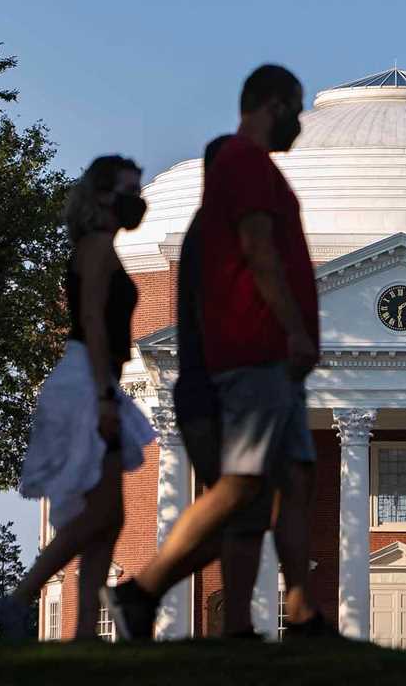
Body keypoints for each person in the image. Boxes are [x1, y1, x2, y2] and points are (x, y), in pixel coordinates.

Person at [107, 64, 332, 640]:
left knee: (292, 482)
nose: (303, 125)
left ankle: (297, 616)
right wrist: (295, 332)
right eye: (297, 109)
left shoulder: (251, 170)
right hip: (258, 354)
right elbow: (260, 253)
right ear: (273, 104)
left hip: (271, 359)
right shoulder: (243, 162)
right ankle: (144, 589)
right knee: (244, 485)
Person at [0, 156, 156, 640]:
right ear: (104, 196)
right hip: (88, 381)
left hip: (95, 379)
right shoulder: (94, 249)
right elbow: (90, 321)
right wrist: (106, 396)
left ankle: (84, 634)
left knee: (110, 516)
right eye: (129, 190)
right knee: (99, 513)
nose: (137, 199)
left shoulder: (103, 247)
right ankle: (22, 595)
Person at [171, 133, 275, 637]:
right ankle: (148, 588)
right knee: (238, 501)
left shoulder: (207, 229)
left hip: (209, 386)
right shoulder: (221, 233)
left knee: (241, 506)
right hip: (217, 389)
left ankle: (236, 623)